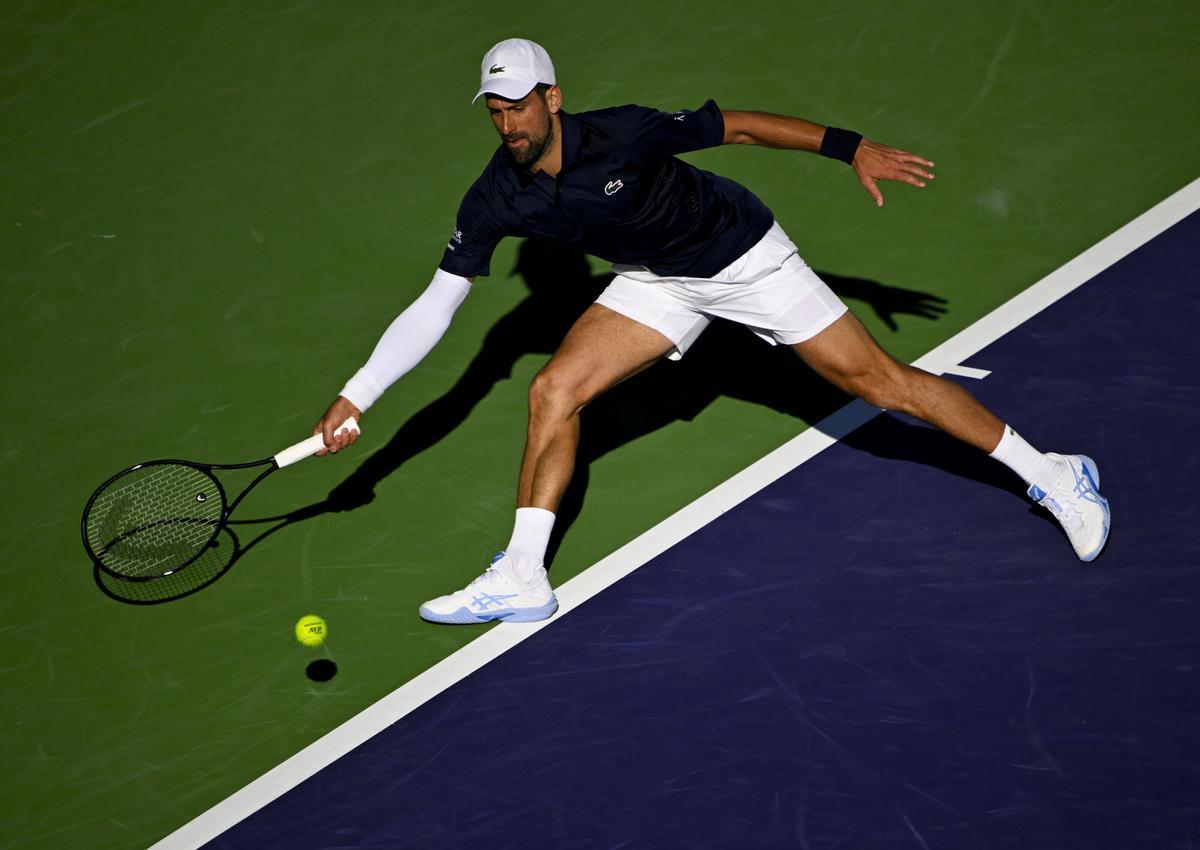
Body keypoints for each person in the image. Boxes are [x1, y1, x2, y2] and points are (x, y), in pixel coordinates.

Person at [314, 38, 1111, 625]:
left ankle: (1054, 473)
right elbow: (437, 302)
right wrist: (358, 394)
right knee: (554, 390)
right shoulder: (495, 198)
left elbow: (737, 128)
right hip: (658, 280)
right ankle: (524, 576)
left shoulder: (622, 132)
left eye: (519, 103)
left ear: (552, 98)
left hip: (744, 257)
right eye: (494, 108)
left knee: (878, 384)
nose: (507, 121)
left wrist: (849, 148)